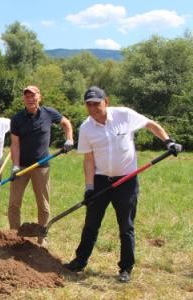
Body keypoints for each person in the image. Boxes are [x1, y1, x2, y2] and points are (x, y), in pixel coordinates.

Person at [64, 86, 182, 283]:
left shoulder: (124, 115)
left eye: (96, 103)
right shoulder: (86, 128)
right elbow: (89, 160)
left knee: (126, 226)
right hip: (101, 181)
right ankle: (80, 261)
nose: (93, 108)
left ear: (106, 101)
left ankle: (126, 268)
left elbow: (150, 124)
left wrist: (168, 141)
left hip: (127, 180)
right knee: (91, 224)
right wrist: (89, 186)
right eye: (89, 104)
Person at [8, 85, 73, 245]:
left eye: (33, 95)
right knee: (13, 204)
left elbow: (66, 123)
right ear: (24, 99)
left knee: (43, 205)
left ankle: (41, 237)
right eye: (27, 96)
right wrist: (15, 166)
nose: (30, 99)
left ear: (39, 97)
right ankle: (14, 236)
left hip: (42, 166)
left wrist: (69, 139)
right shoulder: (17, 119)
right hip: (22, 167)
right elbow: (15, 145)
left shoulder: (49, 113)